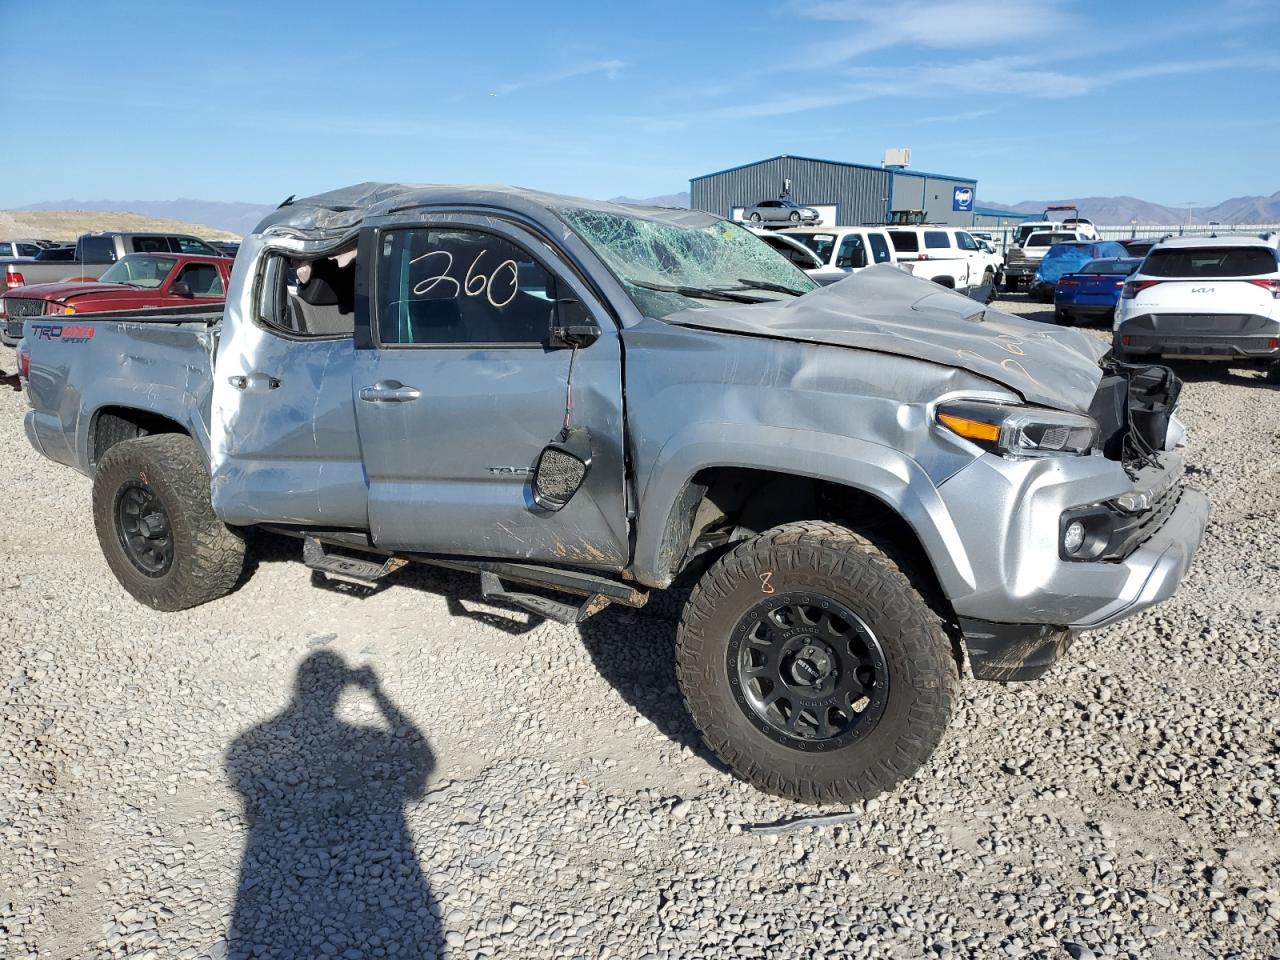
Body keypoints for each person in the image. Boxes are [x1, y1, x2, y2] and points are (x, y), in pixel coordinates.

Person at [225, 651, 442, 959]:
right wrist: (377, 694)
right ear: (340, 688)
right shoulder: (369, 735)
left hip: (269, 871)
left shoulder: (245, 743)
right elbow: (422, 758)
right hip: (389, 860)